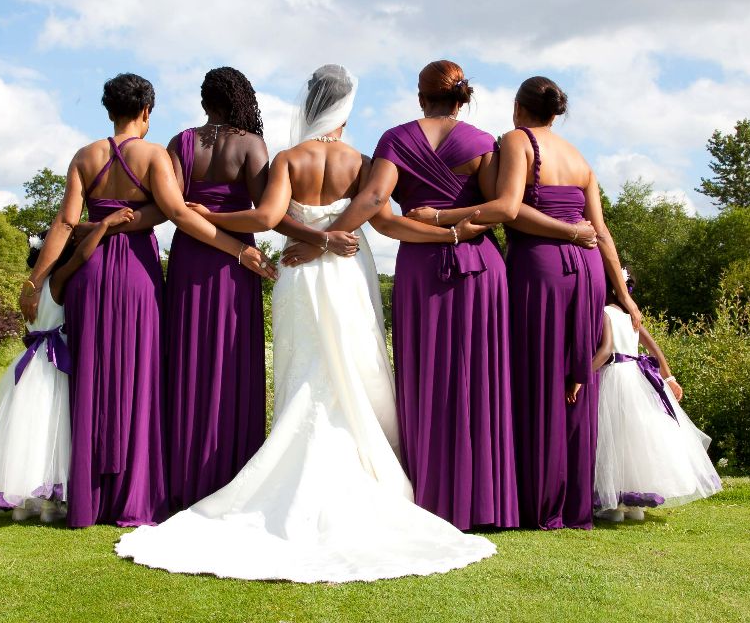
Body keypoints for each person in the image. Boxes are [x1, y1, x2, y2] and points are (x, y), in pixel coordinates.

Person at [114, 64, 495, 582]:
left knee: (302, 369)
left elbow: (268, 218)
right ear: (345, 109)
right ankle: (368, 468)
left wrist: (233, 220)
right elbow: (381, 218)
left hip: (299, 270)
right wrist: (443, 228)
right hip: (346, 271)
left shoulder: (289, 159)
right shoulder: (362, 161)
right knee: (357, 364)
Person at [20, 72, 274, 529]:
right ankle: (133, 496)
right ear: (145, 111)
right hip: (137, 272)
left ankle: (88, 498)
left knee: (91, 376)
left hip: (90, 270)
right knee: (140, 379)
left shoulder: (85, 155)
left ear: (108, 108)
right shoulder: (155, 154)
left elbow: (62, 222)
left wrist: (36, 281)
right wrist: (238, 248)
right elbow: (175, 212)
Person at [316, 60, 520, 530]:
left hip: (420, 265)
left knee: (424, 375)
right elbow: (498, 210)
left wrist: (321, 240)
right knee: (482, 377)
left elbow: (374, 207)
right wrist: (456, 224)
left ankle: (430, 497)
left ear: (420, 95)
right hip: (481, 265)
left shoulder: (395, 139)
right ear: (461, 97)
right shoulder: (484, 142)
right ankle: (487, 503)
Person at [501, 76, 639, 530]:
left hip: (541, 267)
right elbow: (601, 233)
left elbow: (510, 209)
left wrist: (564, 232)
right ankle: (575, 503)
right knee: (576, 380)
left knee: (537, 376)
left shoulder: (517, 142)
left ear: (519, 108)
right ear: (555, 114)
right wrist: (623, 296)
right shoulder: (580, 158)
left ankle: (535, 502)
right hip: (588, 273)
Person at [0, 212, 127, 522]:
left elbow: (27, 332)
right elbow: (83, 256)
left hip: (30, 361)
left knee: (27, 429)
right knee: (53, 427)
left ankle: (21, 495)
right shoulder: (56, 282)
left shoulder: (29, 294)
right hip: (52, 361)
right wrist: (103, 226)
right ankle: (50, 497)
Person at [163, 67, 269, 512]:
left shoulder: (180, 143)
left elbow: (174, 210)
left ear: (205, 100)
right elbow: (268, 211)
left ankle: (182, 476)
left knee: (186, 360)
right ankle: (232, 474)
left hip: (190, 257)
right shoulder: (250, 144)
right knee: (230, 362)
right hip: (235, 262)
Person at [592, 269, 721, 522]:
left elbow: (606, 351)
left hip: (615, 375)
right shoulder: (632, 317)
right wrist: (669, 377)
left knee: (613, 438)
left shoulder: (605, 314)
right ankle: (635, 505)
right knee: (635, 438)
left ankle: (613, 505)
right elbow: (654, 348)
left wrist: (581, 375)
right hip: (637, 378)